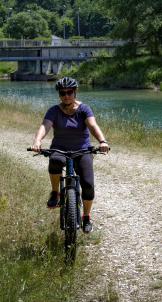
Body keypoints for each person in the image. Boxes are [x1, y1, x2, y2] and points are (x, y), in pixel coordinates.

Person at [30, 77, 109, 234]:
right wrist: (37, 141)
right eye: (62, 93)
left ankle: (86, 217)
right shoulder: (54, 110)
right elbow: (45, 126)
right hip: (60, 147)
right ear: (59, 94)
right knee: (55, 160)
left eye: (69, 92)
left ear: (75, 92)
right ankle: (55, 192)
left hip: (82, 149)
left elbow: (93, 125)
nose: (66, 96)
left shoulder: (84, 109)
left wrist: (102, 141)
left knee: (88, 184)